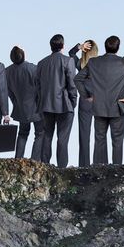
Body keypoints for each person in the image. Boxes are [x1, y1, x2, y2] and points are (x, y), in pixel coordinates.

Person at [76, 35, 124, 164]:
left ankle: (98, 172)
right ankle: (117, 172)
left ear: (105, 47)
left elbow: (77, 79)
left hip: (99, 107)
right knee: (117, 142)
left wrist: (87, 96)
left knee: (99, 140)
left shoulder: (94, 62)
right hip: (118, 107)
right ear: (118, 48)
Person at [34, 34, 79, 167]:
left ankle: (45, 165)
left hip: (46, 104)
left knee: (47, 136)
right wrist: (73, 102)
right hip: (64, 105)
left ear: (51, 46)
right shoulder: (68, 61)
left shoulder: (42, 63)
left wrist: (40, 102)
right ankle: (62, 169)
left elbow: (38, 86)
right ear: (63, 46)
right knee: (62, 139)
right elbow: (72, 84)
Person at [5, 46, 41, 158]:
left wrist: (15, 102)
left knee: (22, 133)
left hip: (20, 107)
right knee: (40, 134)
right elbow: (40, 88)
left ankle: (18, 158)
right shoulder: (33, 68)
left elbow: (8, 92)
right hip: (36, 107)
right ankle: (35, 160)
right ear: (23, 55)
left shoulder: (7, 71)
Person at [69, 39, 99, 166]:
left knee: (84, 135)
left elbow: (71, 53)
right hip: (99, 100)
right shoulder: (99, 64)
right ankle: (99, 164)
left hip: (85, 101)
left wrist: (79, 47)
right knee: (100, 135)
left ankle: (84, 165)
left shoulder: (80, 64)